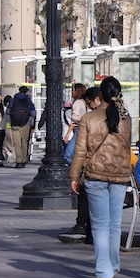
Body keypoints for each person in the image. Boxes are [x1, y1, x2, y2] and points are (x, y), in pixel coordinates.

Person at [69, 76, 134, 278]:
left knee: (100, 224)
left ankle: (104, 270)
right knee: (115, 223)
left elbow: (80, 151)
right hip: (119, 174)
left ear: (99, 95)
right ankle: (113, 264)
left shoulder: (89, 118)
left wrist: (73, 176)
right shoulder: (126, 118)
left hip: (95, 174)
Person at [61, 87, 103, 245]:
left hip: (92, 169)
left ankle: (84, 227)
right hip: (116, 171)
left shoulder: (89, 119)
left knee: (88, 196)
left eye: (89, 103)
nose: (89, 107)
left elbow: (74, 152)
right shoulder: (122, 117)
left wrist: (75, 175)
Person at [6, 85, 36, 168]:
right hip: (25, 124)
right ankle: (24, 160)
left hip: (15, 124)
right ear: (26, 92)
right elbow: (33, 113)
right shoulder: (28, 100)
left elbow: (8, 111)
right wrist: (30, 122)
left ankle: (18, 161)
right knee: (24, 143)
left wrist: (10, 121)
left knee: (17, 144)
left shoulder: (13, 100)